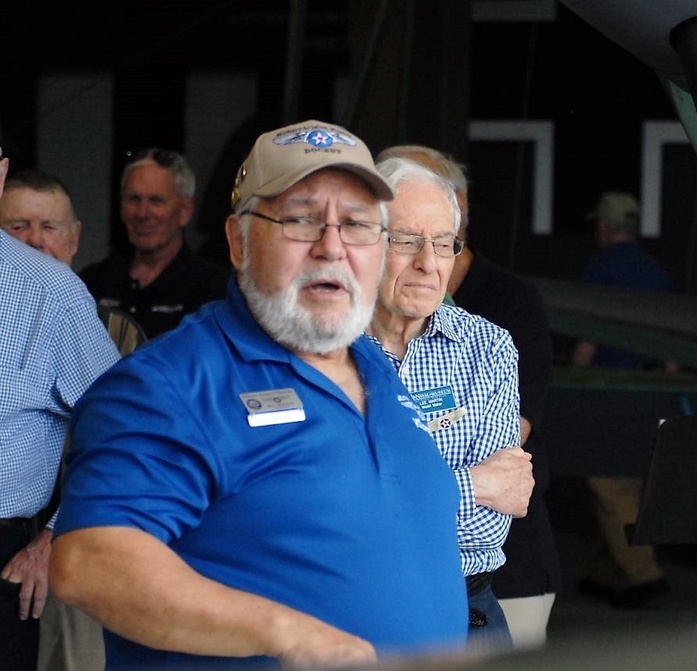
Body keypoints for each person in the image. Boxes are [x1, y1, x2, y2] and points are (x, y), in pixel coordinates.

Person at [49, 120, 469, 669]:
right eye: (300, 219)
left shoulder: (378, 370)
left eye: (359, 224)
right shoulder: (172, 383)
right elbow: (90, 561)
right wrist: (287, 631)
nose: (332, 247)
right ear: (238, 241)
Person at [375, 144, 562, 650]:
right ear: (364, 240)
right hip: (360, 611)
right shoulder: (328, 351)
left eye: (443, 244)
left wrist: (391, 497)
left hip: (470, 614)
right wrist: (473, 481)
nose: (426, 263)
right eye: (407, 240)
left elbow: (491, 521)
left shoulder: (487, 345)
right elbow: (334, 509)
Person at [0, 167, 146, 671]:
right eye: (19, 226)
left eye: (50, 228)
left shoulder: (57, 300)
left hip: (27, 551)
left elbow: (129, 434)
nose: (36, 241)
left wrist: (52, 539)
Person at [572, 191, 674, 608]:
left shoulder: (600, 270)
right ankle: (607, 569)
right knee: (630, 489)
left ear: (602, 228)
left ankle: (643, 575)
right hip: (652, 394)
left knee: (610, 488)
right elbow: (672, 348)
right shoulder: (657, 273)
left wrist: (570, 389)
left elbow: (587, 343)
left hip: (609, 394)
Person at [79, 147, 232, 339]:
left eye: (156, 200)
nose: (142, 213)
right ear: (121, 207)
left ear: (185, 211)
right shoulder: (93, 282)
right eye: (134, 199)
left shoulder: (213, 288)